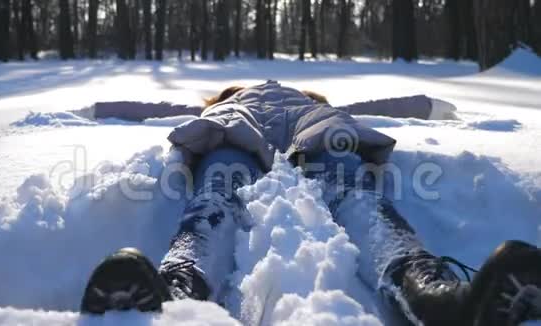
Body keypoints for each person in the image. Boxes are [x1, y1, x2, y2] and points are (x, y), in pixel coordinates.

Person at [79, 81, 541, 325]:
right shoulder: (224, 105)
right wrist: (94, 109)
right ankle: (176, 292)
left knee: (359, 196)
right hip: (233, 134)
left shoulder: (310, 102)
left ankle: (431, 293)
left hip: (318, 133)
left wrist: (431, 104)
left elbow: (382, 103)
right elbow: (153, 107)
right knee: (214, 198)